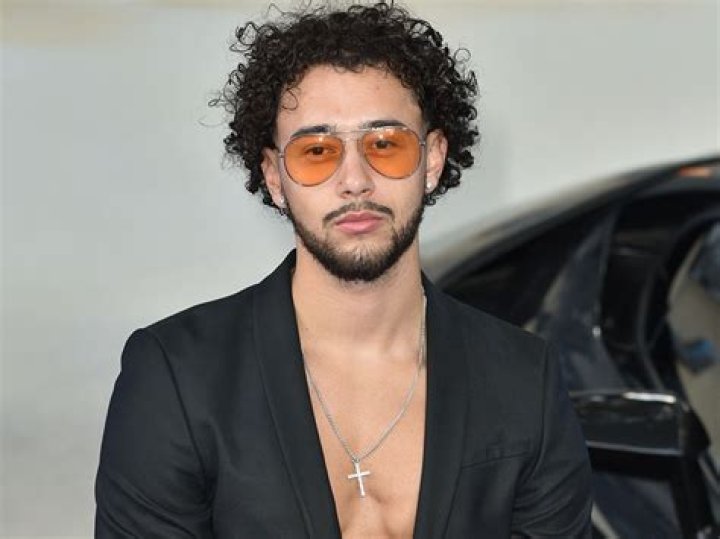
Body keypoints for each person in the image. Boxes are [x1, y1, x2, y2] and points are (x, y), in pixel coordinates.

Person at [95, 2, 592, 537]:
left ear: (431, 160)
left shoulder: (524, 379)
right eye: (316, 151)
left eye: (385, 145)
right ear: (274, 176)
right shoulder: (177, 377)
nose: (354, 180)